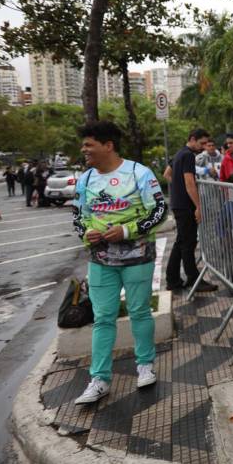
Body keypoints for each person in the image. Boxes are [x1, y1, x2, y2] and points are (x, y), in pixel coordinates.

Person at [71, 121, 168, 404]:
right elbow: (78, 216)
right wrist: (86, 233)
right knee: (103, 318)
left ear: (108, 145)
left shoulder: (139, 173)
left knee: (139, 311)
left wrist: (127, 231)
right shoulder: (85, 180)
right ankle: (99, 379)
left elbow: (159, 210)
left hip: (137, 257)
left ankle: (145, 365)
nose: (84, 149)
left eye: (89, 144)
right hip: (100, 260)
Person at [165, 128, 218, 293]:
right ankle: (193, 279)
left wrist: (177, 188)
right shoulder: (187, 155)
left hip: (178, 203)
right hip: (185, 206)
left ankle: (173, 279)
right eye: (201, 143)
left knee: (181, 242)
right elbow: (189, 182)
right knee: (187, 244)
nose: (203, 147)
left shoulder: (180, 153)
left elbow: (167, 174)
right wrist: (198, 206)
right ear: (193, 139)